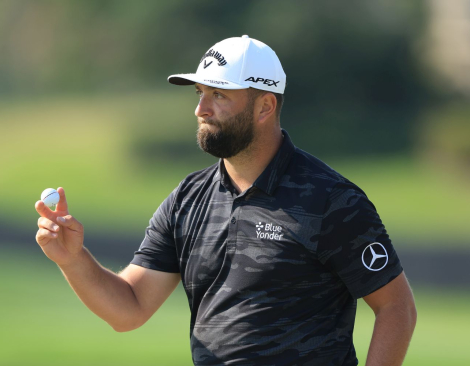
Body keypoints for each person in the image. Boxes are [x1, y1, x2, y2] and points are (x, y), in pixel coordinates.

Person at [35, 35, 417, 365]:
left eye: (219, 95)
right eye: (201, 93)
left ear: (265, 106)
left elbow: (396, 307)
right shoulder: (187, 199)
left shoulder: (331, 199)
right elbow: (129, 309)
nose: (201, 109)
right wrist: (72, 260)